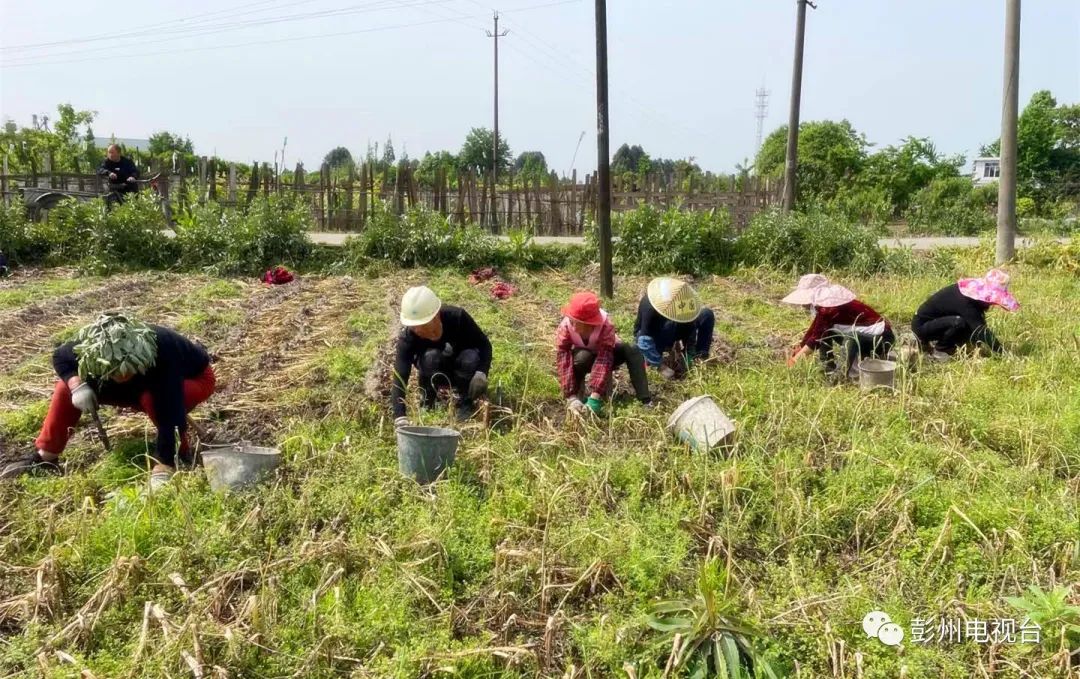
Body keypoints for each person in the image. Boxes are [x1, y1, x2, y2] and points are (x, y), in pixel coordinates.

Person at [0, 313, 216, 488]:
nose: (122, 377)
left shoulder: (162, 351)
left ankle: (179, 454)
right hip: (137, 384)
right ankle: (47, 456)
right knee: (64, 389)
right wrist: (77, 385)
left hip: (193, 380)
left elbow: (171, 406)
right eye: (116, 372)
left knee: (154, 399)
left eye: (127, 371)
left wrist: (164, 463)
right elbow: (60, 357)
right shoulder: (91, 346)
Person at [392, 286, 492, 426]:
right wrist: (400, 417)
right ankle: (428, 399)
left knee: (470, 358)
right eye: (419, 330)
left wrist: (482, 372)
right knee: (430, 357)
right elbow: (400, 376)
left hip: (462, 368)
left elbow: (484, 345)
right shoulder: (408, 337)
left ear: (437, 314)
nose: (426, 333)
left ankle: (465, 401)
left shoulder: (458, 317)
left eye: (429, 327)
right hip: (433, 371)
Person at [556, 291, 652, 416]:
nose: (573, 328)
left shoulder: (605, 325)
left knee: (632, 349)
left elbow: (604, 358)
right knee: (581, 358)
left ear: (589, 324)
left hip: (608, 355)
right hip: (584, 357)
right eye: (572, 322)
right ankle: (577, 396)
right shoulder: (565, 326)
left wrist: (595, 396)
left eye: (578, 324)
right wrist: (570, 396)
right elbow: (563, 358)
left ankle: (645, 400)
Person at [785, 280, 894, 379]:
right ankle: (828, 367)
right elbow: (815, 329)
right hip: (865, 338)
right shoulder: (824, 306)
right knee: (826, 332)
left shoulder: (829, 308)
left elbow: (815, 340)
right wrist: (801, 345)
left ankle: (840, 375)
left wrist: (795, 360)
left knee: (851, 337)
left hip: (881, 339)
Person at [912, 269, 1017, 357]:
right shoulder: (967, 301)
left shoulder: (973, 298)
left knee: (967, 326)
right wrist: (1001, 352)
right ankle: (941, 350)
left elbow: (978, 325)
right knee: (959, 323)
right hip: (922, 326)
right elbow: (980, 330)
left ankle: (949, 346)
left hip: (940, 322)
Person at [634, 277, 715, 379]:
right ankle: (652, 360)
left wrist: (689, 355)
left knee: (706, 314)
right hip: (654, 334)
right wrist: (660, 366)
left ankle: (700, 357)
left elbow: (690, 326)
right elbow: (643, 340)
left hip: (675, 329)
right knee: (668, 328)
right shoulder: (650, 306)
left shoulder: (686, 306)